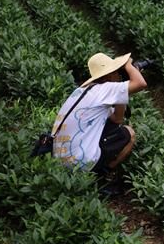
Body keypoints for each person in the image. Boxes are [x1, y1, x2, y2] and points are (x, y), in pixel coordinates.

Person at [52, 52, 147, 190]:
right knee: (129, 133)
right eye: (116, 71)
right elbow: (141, 83)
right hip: (79, 163)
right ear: (108, 75)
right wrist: (127, 65)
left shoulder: (83, 90)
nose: (118, 74)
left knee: (114, 128)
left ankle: (98, 168)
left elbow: (117, 119)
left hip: (59, 159)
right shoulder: (106, 89)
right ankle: (105, 174)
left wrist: (120, 91)